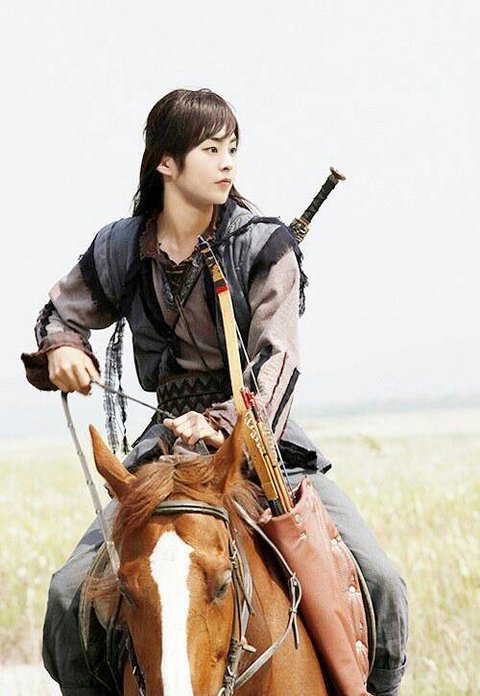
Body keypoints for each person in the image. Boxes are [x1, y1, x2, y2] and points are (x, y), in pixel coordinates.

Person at [22, 88, 408, 696]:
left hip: (262, 444)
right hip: (163, 451)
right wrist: (64, 349)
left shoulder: (264, 246)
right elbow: (58, 314)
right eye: (210, 149)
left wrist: (222, 422)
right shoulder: (120, 248)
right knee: (69, 593)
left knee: (381, 583)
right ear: (166, 162)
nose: (227, 162)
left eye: (232, 148)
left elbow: (278, 362)